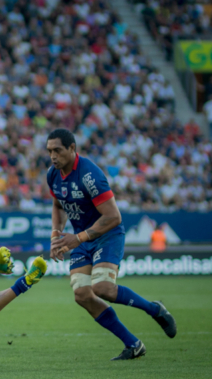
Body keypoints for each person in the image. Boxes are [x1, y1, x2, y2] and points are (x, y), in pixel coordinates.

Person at [47, 128, 177, 361]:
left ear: (72, 149)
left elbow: (113, 217)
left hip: (107, 235)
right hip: (82, 239)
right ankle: (133, 344)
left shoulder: (89, 175)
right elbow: (58, 205)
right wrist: (56, 236)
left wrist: (77, 238)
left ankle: (154, 309)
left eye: (57, 150)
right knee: (82, 295)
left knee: (103, 288)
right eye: (49, 151)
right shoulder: (53, 175)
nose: (53, 156)